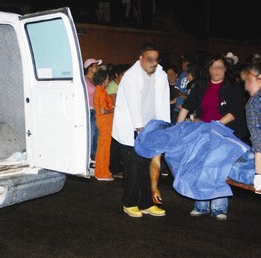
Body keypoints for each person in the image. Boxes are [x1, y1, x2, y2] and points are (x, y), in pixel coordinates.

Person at [177, 54, 247, 220]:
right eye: (214, 66)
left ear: (225, 69)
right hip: (203, 131)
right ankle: (201, 205)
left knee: (218, 167)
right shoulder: (201, 85)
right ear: (208, 69)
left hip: (224, 132)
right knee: (200, 166)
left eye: (220, 67)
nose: (217, 70)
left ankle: (219, 207)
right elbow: (187, 106)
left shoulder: (233, 87)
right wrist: (178, 128)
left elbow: (234, 112)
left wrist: (215, 126)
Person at [112, 43, 170, 218]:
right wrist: (139, 128)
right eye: (149, 59)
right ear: (141, 59)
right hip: (131, 129)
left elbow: (163, 102)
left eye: (156, 59)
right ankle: (129, 203)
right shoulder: (131, 76)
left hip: (151, 127)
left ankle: (147, 203)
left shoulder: (161, 75)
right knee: (133, 167)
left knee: (147, 166)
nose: (153, 62)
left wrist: (163, 127)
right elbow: (133, 104)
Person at [107, 64, 130, 178]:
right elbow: (116, 103)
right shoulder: (112, 86)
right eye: (123, 74)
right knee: (115, 144)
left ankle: (117, 167)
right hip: (113, 120)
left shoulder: (121, 85)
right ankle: (115, 169)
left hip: (119, 119)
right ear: (117, 75)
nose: (125, 77)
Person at [241, 63, 261, 192]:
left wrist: (259, 174)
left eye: (248, 81)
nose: (246, 86)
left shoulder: (253, 103)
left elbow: (258, 139)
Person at [93, 70, 114, 181]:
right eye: (107, 78)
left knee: (102, 148)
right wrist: (113, 110)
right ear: (103, 79)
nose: (108, 81)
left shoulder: (100, 91)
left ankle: (100, 171)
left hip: (104, 122)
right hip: (105, 123)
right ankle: (102, 173)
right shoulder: (101, 92)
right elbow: (103, 110)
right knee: (104, 149)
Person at [84, 58, 102, 168]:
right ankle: (88, 160)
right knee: (90, 136)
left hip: (96, 110)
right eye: (95, 65)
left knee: (96, 136)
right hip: (89, 111)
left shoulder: (95, 80)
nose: (97, 68)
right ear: (90, 67)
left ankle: (94, 160)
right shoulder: (84, 80)